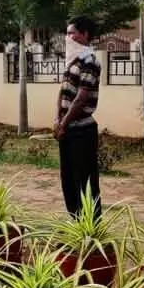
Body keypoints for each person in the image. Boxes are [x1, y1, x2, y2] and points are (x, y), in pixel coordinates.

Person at [54, 15, 102, 219]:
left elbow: (81, 98)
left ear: (85, 35)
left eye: (73, 33)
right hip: (67, 129)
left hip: (81, 129)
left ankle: (91, 226)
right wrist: (57, 119)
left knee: (86, 181)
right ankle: (75, 223)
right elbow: (63, 92)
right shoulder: (72, 60)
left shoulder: (89, 61)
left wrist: (63, 123)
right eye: (67, 33)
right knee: (68, 179)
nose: (68, 37)